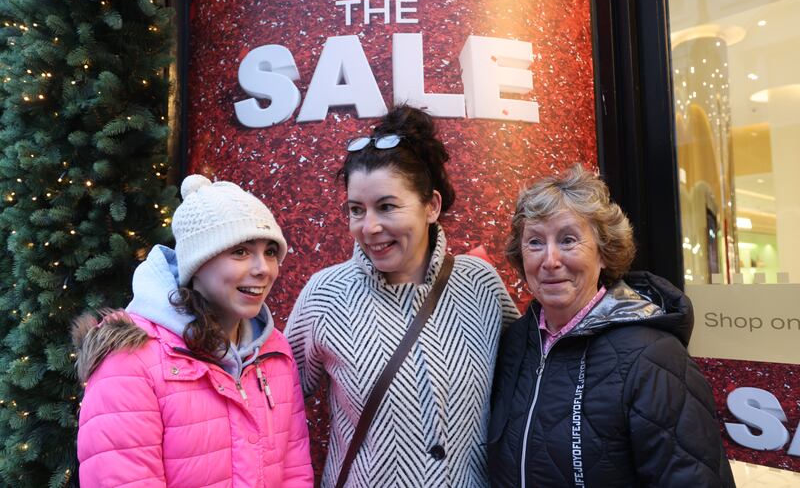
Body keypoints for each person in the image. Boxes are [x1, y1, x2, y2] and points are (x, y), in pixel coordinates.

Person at [285, 105, 520, 487]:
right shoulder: (326, 295)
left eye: (387, 206)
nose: (370, 227)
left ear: (432, 206)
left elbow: (529, 376)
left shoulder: (481, 284)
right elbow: (274, 397)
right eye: (356, 210)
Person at [488, 165, 735, 487]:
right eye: (535, 242)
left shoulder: (655, 357)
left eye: (568, 240)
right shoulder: (515, 344)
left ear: (604, 252)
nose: (549, 260)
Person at [73, 175, 314, 487]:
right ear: (197, 264)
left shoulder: (273, 350)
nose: (263, 269)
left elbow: (294, 472)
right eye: (240, 251)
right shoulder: (131, 360)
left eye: (270, 251)